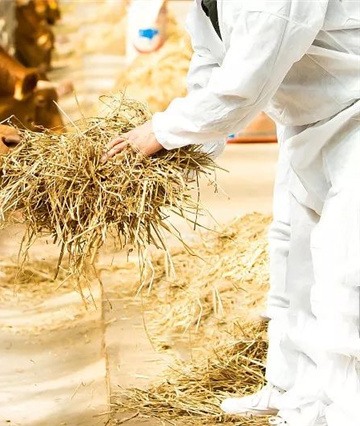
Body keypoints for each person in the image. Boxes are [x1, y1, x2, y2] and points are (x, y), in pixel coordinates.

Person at [105, 1, 360, 425]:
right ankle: (294, 394)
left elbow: (246, 82)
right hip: (310, 123)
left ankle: (344, 410)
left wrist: (163, 131)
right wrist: (184, 152)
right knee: (293, 262)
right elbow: (212, 66)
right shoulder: (207, 4)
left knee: (343, 274)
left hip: (355, 116)